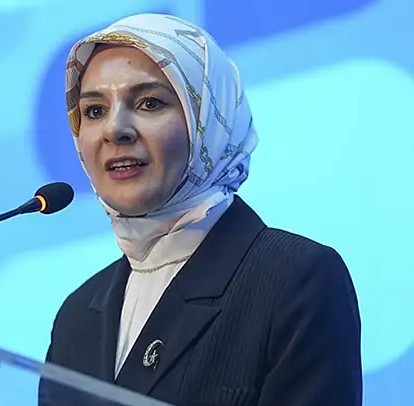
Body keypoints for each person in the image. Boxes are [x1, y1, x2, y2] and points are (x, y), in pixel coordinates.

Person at [39, 13, 362, 406]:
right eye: (94, 111)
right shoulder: (77, 314)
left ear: (209, 121)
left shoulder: (295, 279)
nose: (114, 129)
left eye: (149, 103)